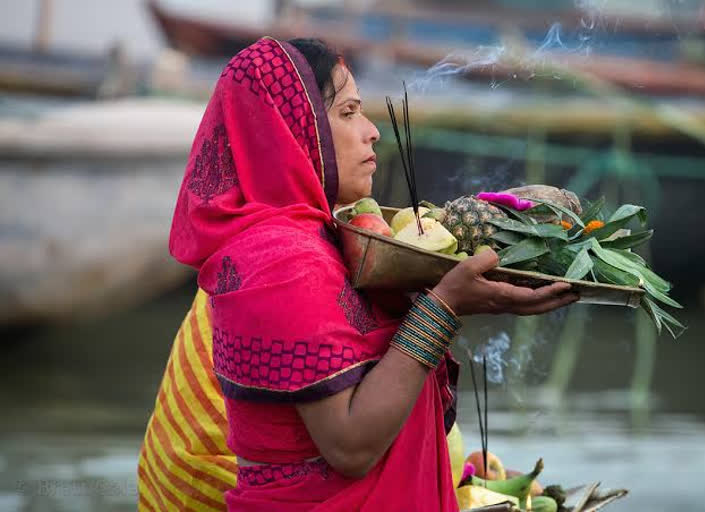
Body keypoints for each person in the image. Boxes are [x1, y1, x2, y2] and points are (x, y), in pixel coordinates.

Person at [138, 37, 578, 512]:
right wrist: (444, 306)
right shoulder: (281, 262)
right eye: (348, 113)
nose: (372, 132)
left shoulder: (323, 242)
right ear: (293, 130)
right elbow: (350, 447)